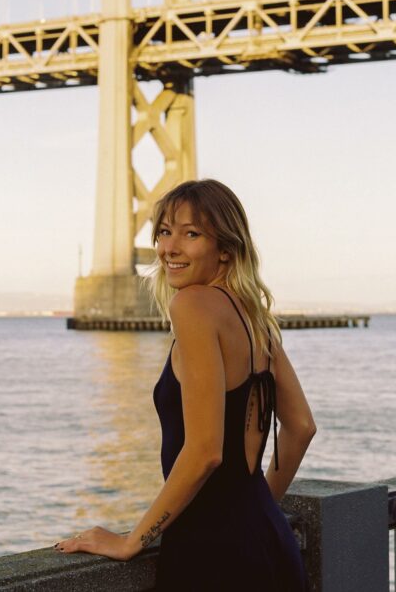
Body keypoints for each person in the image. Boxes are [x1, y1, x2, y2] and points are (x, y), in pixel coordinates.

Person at [55, 178, 316, 591]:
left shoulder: (192, 305)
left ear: (226, 249)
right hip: (269, 540)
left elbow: (205, 451)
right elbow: (301, 427)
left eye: (191, 234)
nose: (169, 248)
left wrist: (132, 540)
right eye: (163, 231)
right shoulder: (253, 318)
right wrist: (256, 511)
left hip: (211, 556)